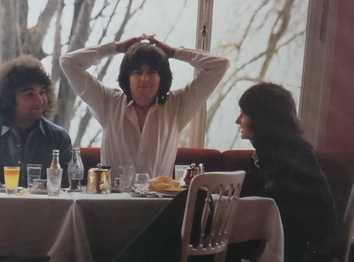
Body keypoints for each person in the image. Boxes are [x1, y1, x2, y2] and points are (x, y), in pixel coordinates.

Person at [60, 35, 228, 177]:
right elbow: (69, 62)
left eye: (152, 72)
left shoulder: (177, 105)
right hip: (113, 201)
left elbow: (219, 65)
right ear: (127, 77)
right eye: (137, 72)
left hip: (159, 202)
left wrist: (172, 52)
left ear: (162, 77)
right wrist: (116, 48)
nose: (145, 79)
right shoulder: (107, 102)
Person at [233, 82, 338, 262]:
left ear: (261, 119)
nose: (238, 121)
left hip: (299, 254)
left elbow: (269, 202)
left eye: (243, 114)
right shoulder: (288, 149)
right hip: (309, 244)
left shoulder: (279, 157)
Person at [0, 55, 73, 186]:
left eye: (42, 92)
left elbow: (67, 188)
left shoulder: (59, 138)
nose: (40, 100)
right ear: (9, 99)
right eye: (29, 94)